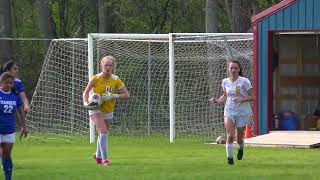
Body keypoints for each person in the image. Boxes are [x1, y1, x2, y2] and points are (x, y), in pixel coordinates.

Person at [83, 55, 130, 166]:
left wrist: (114, 95)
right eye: (106, 65)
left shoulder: (115, 79)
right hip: (95, 109)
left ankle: (98, 156)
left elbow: (127, 95)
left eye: (110, 65)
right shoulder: (95, 78)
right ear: (101, 66)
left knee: (102, 134)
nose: (108, 67)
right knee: (103, 131)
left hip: (108, 110)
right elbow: (85, 93)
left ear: (113, 66)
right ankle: (105, 160)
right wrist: (85, 103)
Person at [209, 60, 253, 165]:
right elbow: (225, 96)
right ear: (228, 69)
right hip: (229, 111)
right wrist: (217, 100)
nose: (233, 70)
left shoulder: (244, 81)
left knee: (239, 138)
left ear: (239, 69)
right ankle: (230, 159)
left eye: (235, 68)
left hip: (242, 112)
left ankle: (240, 148)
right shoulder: (225, 81)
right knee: (230, 135)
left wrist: (241, 99)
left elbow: (253, 96)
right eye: (231, 68)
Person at [0, 72, 28, 180]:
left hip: (9, 129)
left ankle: (8, 177)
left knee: (6, 154)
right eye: (6, 82)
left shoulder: (15, 97)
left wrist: (24, 126)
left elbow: (20, 113)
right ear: (1, 83)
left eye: (11, 83)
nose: (9, 85)